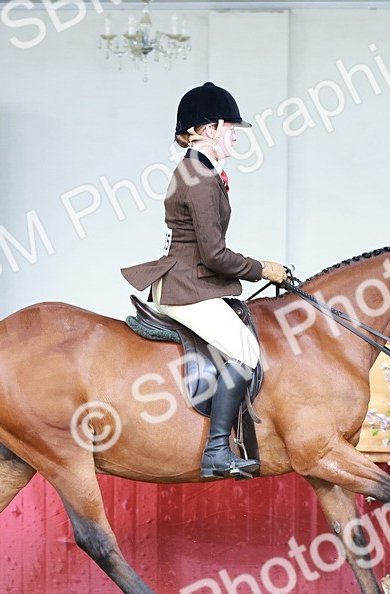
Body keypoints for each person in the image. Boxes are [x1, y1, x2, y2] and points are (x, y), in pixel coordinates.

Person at [121, 81, 288, 480]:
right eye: (230, 127)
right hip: (185, 286)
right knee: (246, 351)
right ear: (210, 129)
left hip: (189, 280)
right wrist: (261, 268)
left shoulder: (202, 172)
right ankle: (216, 452)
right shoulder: (198, 177)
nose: (234, 135)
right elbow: (214, 254)